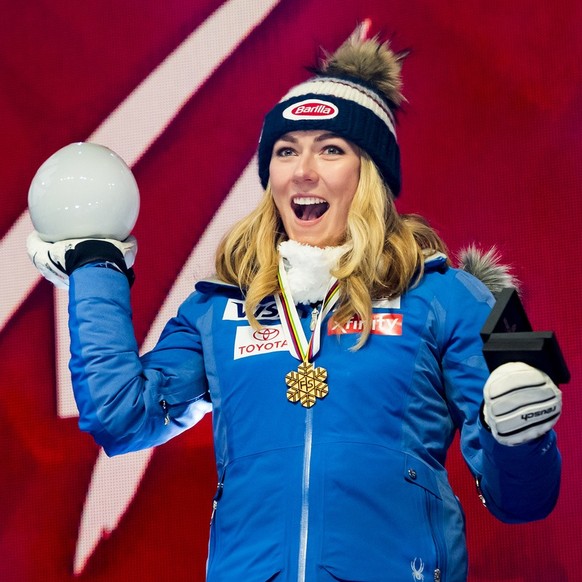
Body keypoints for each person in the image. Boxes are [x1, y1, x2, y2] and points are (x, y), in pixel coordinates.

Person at [27, 24, 562, 582]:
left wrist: (521, 440)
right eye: (286, 151)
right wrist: (95, 265)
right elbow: (120, 419)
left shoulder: (453, 298)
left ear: (370, 175)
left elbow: (521, 501)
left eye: (331, 149)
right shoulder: (218, 309)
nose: (303, 170)